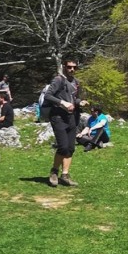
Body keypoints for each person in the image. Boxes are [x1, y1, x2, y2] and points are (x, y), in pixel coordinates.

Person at [45, 59, 86, 187]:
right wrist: (62, 103)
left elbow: (75, 98)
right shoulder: (59, 80)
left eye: (74, 67)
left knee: (70, 148)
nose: (72, 70)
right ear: (64, 67)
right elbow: (48, 95)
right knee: (62, 146)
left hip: (72, 117)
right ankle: (54, 172)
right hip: (58, 116)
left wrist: (80, 102)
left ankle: (65, 175)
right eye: (69, 67)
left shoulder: (76, 82)